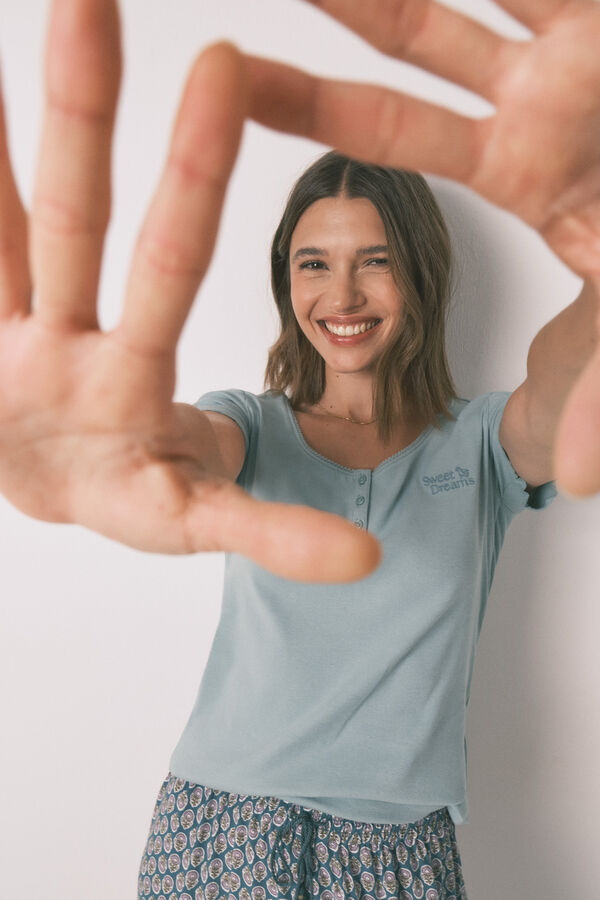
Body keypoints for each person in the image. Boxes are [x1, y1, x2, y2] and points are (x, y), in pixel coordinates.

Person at [0, 1, 598, 899]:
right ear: (287, 279)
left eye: (377, 259)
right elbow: (194, 446)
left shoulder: (480, 444)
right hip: (223, 828)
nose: (342, 291)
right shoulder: (252, 422)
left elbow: (558, 378)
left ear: (422, 274)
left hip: (398, 851)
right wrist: (129, 443)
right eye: (313, 261)